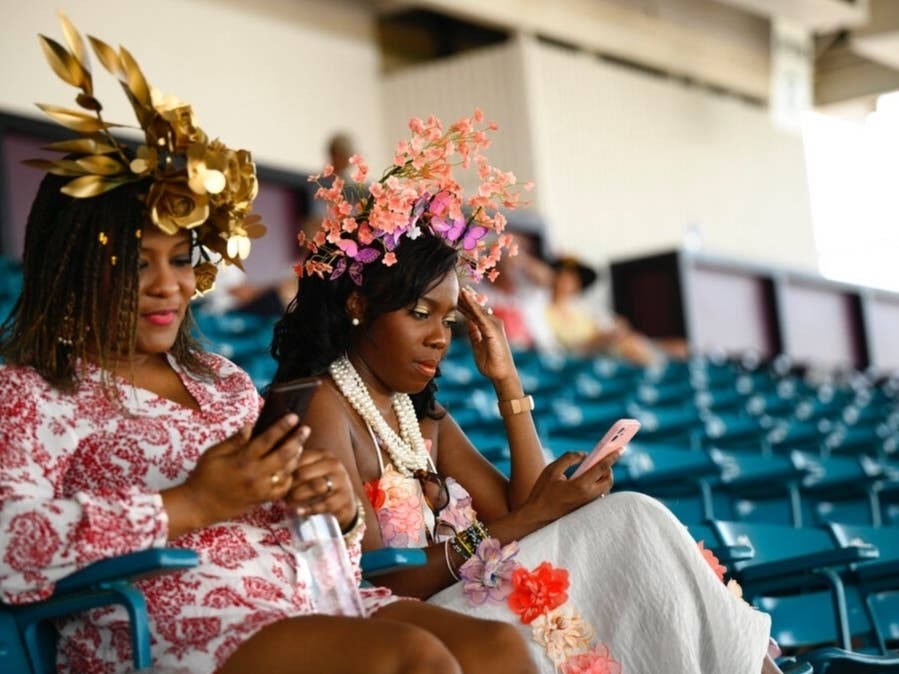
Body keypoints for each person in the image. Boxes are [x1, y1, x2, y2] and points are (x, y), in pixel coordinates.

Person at [0, 17, 537, 674]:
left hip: (309, 599)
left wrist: (333, 508)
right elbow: (9, 548)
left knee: (498, 649)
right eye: (139, 265)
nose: (169, 287)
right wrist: (189, 504)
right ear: (76, 267)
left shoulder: (222, 380)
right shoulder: (28, 393)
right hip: (178, 628)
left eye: (180, 259)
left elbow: (310, 532)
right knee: (409, 660)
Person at [270, 110, 783, 674]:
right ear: (358, 307)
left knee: (635, 520)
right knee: (633, 521)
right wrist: (524, 522)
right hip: (413, 621)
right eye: (420, 315)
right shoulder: (323, 403)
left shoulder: (421, 419)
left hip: (474, 597)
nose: (439, 339)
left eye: (449, 322)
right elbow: (375, 575)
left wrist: (507, 381)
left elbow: (523, 506)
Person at [544, 255, 664, 365]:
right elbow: (560, 350)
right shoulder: (543, 310)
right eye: (563, 275)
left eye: (573, 278)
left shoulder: (586, 308)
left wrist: (615, 331)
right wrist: (600, 340)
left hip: (606, 354)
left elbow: (611, 328)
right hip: (582, 362)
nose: (567, 282)